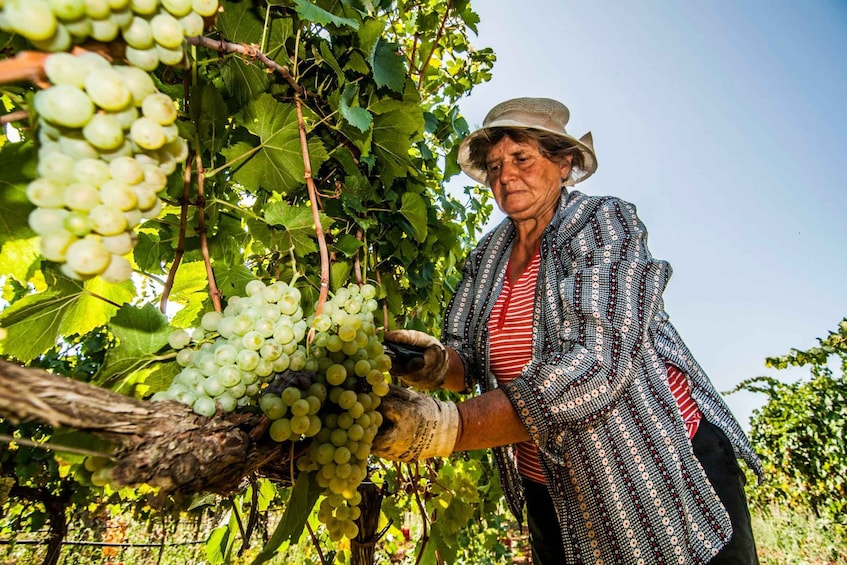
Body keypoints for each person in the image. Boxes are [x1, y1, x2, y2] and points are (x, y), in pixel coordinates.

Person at [371, 97, 762, 564]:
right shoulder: (488, 254)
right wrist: (432, 365)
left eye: (521, 159)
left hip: (651, 468)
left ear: (564, 163)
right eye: (494, 165)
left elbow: (595, 365)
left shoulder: (601, 224)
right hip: (551, 485)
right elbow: (467, 363)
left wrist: (447, 428)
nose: (504, 176)